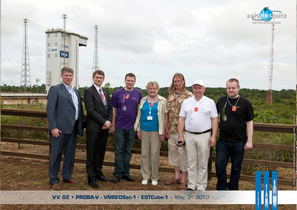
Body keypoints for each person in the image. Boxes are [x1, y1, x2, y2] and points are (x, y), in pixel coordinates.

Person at [46, 66, 84, 191]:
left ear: (73, 77)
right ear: (62, 76)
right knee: (56, 155)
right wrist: (53, 127)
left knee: (70, 154)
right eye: (66, 75)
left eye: (70, 75)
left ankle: (67, 176)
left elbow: (79, 110)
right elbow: (50, 109)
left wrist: (79, 129)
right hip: (59, 129)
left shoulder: (76, 92)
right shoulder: (55, 89)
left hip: (73, 128)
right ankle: (53, 179)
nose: (68, 77)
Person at [178, 80, 218, 191]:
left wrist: (213, 136)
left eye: (200, 88)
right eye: (195, 88)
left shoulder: (210, 102)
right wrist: (181, 135)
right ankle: (191, 185)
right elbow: (181, 119)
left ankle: (201, 186)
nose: (197, 90)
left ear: (204, 89)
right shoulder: (186, 102)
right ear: (192, 89)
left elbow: (214, 119)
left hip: (204, 135)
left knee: (203, 162)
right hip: (189, 135)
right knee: (190, 162)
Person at [215, 78, 254, 190]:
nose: (231, 90)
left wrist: (249, 140)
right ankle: (222, 188)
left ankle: (233, 189)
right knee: (220, 166)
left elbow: (249, 122)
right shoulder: (221, 101)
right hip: (223, 140)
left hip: (239, 141)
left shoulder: (245, 103)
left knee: (236, 168)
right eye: (229, 88)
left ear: (238, 88)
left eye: (233, 88)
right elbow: (214, 118)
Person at [134, 81, 168, 186]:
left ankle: (154, 177)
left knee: (154, 154)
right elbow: (139, 116)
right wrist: (138, 129)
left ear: (157, 89)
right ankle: (145, 176)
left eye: (154, 88)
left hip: (156, 131)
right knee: (144, 154)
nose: (152, 90)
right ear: (147, 90)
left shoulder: (163, 100)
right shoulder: (143, 100)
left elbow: (166, 117)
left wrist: (164, 131)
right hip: (144, 129)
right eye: (150, 88)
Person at [111, 73, 142, 183]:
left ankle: (125, 173)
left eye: (132, 80)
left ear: (135, 82)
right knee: (119, 151)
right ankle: (117, 173)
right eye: (128, 80)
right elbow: (114, 110)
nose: (130, 82)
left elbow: (140, 109)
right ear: (125, 81)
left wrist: (138, 127)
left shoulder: (138, 93)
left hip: (132, 127)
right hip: (119, 127)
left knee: (127, 151)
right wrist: (113, 125)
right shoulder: (117, 93)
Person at [84, 70, 113, 188]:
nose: (99, 79)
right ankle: (91, 178)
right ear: (93, 78)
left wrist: (109, 121)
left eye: (101, 77)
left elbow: (110, 108)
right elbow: (90, 110)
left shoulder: (105, 91)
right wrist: (103, 121)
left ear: (103, 79)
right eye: (97, 77)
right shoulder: (88, 91)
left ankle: (98, 173)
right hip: (93, 128)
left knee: (100, 152)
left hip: (104, 128)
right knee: (91, 153)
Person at [165, 73, 193, 191]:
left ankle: (183, 180)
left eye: (179, 81)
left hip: (183, 131)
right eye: (175, 81)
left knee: (183, 155)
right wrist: (166, 128)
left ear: (183, 81)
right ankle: (176, 177)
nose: (177, 83)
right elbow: (168, 113)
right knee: (174, 154)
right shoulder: (171, 95)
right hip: (172, 130)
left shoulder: (189, 95)